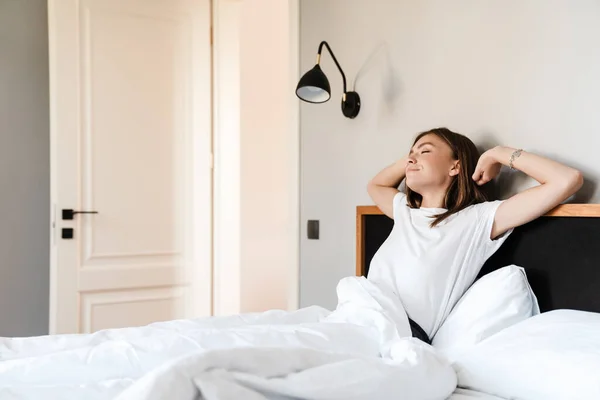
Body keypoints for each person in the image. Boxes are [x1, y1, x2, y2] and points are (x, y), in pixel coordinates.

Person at [366, 127, 583, 344]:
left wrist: (497, 153)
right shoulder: (404, 212)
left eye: (425, 151)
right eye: (409, 155)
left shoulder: (476, 220)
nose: (410, 160)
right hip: (362, 312)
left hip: (398, 333)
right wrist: (414, 157)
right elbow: (375, 185)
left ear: (455, 165)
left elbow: (567, 180)